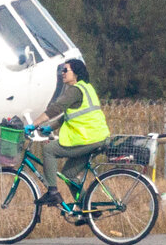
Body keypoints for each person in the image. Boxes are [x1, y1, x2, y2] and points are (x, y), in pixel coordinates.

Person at [28, 58, 110, 206]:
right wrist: (49, 128)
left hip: (88, 139)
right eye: (62, 70)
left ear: (76, 73)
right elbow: (68, 116)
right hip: (96, 137)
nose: (62, 73)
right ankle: (88, 210)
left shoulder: (75, 90)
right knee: (69, 174)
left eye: (66, 70)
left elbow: (56, 108)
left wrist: (34, 124)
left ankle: (52, 192)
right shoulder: (86, 88)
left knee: (48, 150)